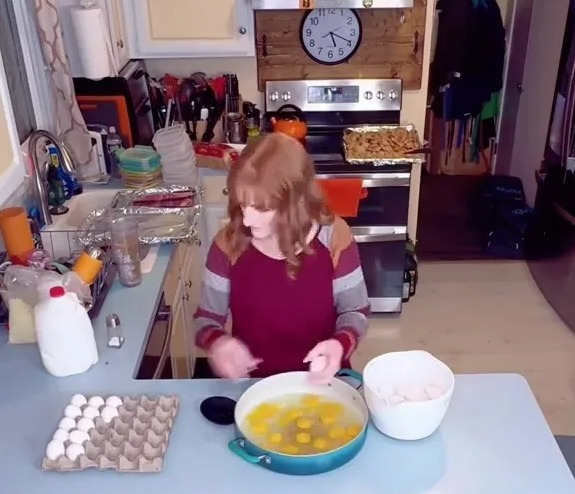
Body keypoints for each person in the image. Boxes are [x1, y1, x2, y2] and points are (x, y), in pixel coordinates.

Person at [193, 133, 370, 383]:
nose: (247, 219)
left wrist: (339, 345)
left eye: (262, 208)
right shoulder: (228, 244)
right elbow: (206, 320)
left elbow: (355, 311)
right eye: (243, 204)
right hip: (253, 385)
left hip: (322, 382)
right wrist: (217, 342)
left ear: (295, 203)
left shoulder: (334, 237)